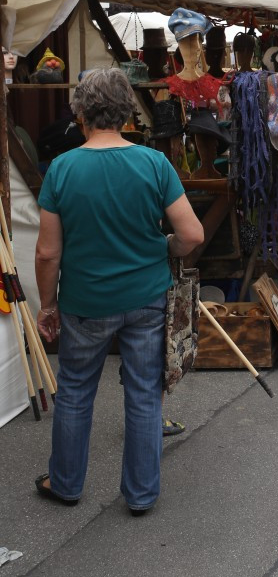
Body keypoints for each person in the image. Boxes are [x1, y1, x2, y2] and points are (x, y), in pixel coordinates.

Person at [34, 68, 204, 514]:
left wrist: (47, 305)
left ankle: (66, 484)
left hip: (84, 302)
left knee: (73, 391)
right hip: (146, 297)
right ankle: (142, 494)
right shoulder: (153, 163)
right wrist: (165, 246)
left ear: (81, 113)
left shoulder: (61, 169)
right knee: (145, 394)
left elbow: (48, 253)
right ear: (127, 112)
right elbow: (192, 235)